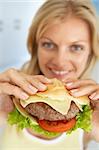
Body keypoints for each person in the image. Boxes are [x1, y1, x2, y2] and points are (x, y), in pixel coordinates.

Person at [0, 0, 99, 149]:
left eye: (76, 47)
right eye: (48, 44)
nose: (60, 61)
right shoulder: (10, 95)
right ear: (35, 46)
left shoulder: (92, 111)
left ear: (91, 51)